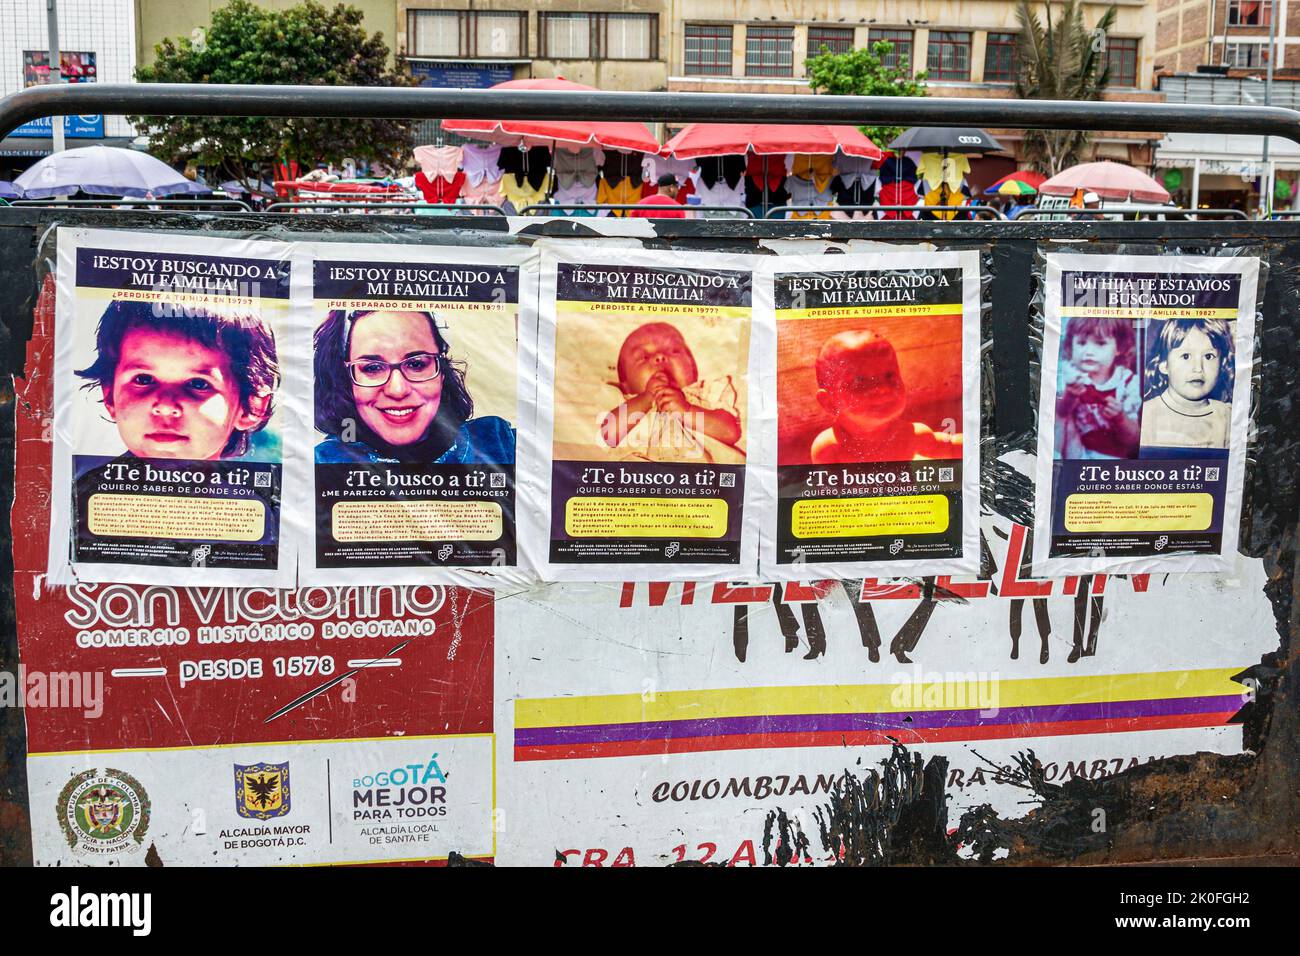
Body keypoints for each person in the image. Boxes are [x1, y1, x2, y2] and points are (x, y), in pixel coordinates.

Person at [75, 299, 277, 461]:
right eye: (144, 379)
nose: (165, 406)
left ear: (253, 405)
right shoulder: (79, 500)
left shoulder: (258, 509)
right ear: (110, 396)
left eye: (198, 384)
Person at [313, 309, 513, 464]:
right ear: (347, 379)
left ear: (441, 372)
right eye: (373, 368)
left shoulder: (498, 441)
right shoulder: (324, 461)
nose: (397, 390)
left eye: (416, 364)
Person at [809, 329, 961, 464]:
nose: (882, 388)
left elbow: (953, 447)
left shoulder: (912, 436)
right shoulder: (829, 448)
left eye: (890, 376)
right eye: (860, 381)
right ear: (829, 402)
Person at [600, 321, 741, 461]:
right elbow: (608, 435)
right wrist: (647, 398)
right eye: (644, 357)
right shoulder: (623, 402)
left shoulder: (706, 393)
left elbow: (730, 433)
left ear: (693, 367)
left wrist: (687, 411)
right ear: (626, 385)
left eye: (674, 351)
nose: (660, 357)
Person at [1054, 316, 1141, 459]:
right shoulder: (1071, 376)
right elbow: (1060, 413)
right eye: (1081, 343)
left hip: (1114, 458)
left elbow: (1133, 440)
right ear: (1070, 345)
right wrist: (1070, 396)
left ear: (1119, 347)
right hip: (1077, 452)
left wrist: (1120, 418)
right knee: (1064, 418)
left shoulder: (1128, 382)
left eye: (1100, 344)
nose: (1088, 351)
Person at [1139, 318, 1233, 450]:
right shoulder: (1146, 417)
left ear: (1222, 365)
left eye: (1208, 356)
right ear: (1164, 365)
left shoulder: (1227, 417)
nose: (1198, 368)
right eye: (1186, 356)